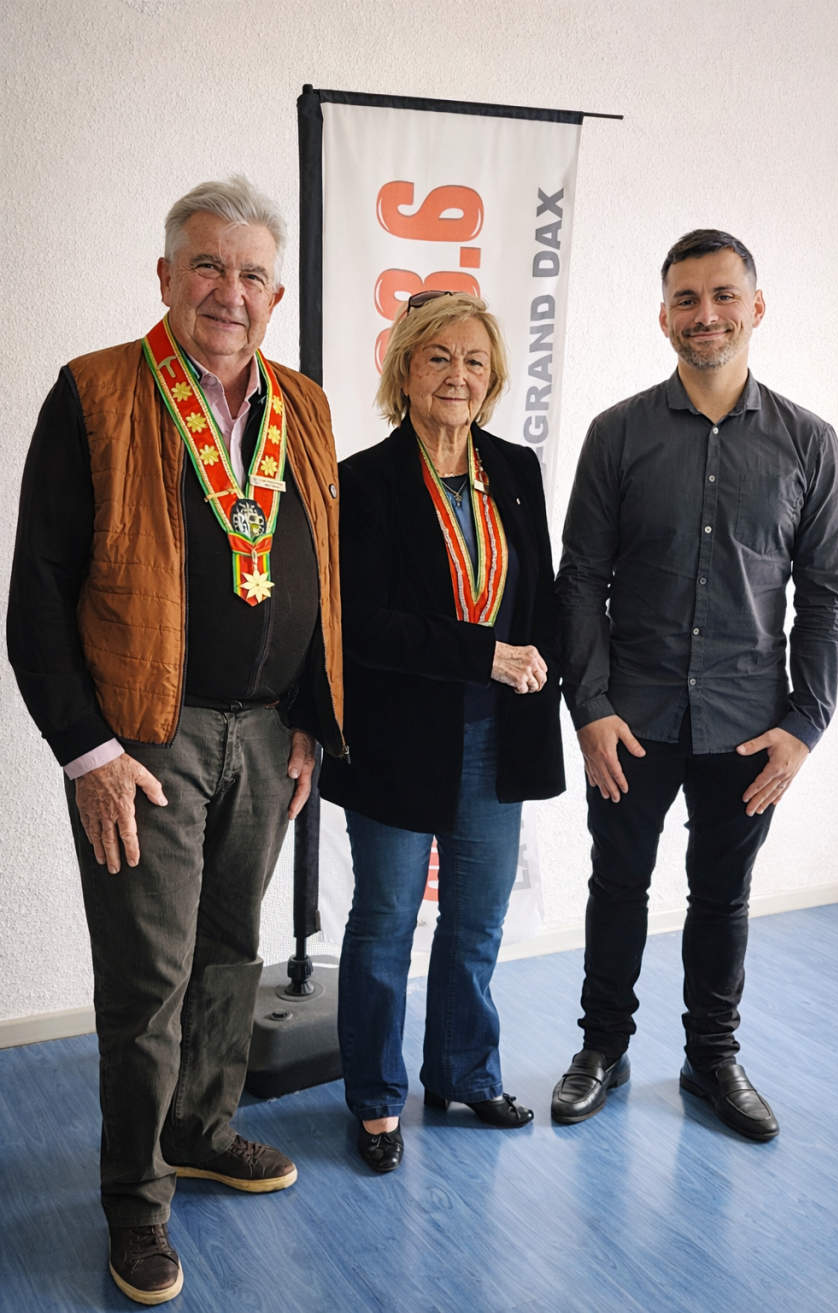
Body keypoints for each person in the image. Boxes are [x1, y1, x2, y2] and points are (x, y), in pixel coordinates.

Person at [7, 176, 344, 1304]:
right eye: (207, 266)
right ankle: (135, 1202)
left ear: (275, 294)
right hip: (148, 737)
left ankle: (200, 1128)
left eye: (251, 275)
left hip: (268, 732)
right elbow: (36, 594)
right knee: (147, 979)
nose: (228, 292)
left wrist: (311, 718)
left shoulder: (304, 404)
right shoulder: (95, 391)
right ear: (164, 275)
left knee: (230, 953)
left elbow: (321, 570)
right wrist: (89, 752)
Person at [552, 230, 838, 1141]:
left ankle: (711, 1058)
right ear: (663, 317)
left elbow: (828, 593)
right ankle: (601, 1048)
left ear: (755, 307)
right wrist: (589, 707)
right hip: (631, 718)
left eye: (722, 295)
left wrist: (805, 722)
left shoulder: (808, 442)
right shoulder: (617, 435)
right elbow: (579, 581)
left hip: (749, 725)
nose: (705, 314)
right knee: (617, 884)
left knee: (722, 896)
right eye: (686, 299)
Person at [318, 291, 565, 1172]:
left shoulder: (516, 469)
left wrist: (553, 675)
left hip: (499, 736)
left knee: (475, 922)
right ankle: (376, 1099)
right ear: (404, 370)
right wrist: (484, 654)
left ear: (492, 377)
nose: (457, 375)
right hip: (397, 740)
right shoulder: (364, 480)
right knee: (385, 922)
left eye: (474, 360)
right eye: (437, 357)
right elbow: (362, 624)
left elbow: (540, 596)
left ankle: (463, 1072)